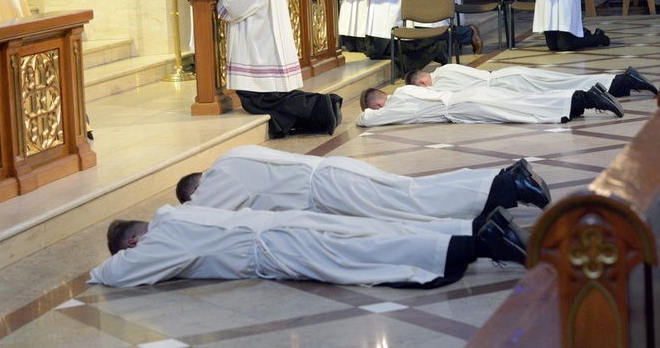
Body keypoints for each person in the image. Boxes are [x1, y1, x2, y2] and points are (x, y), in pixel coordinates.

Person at [89, 203, 528, 289]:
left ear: (132, 241)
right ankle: (473, 232)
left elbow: (113, 274)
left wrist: (97, 268)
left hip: (277, 247)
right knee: (373, 233)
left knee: (365, 257)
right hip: (283, 223)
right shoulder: (176, 214)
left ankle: (479, 244)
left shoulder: (158, 240)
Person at [173, 145, 550, 232]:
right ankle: (500, 184)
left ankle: (504, 185)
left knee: (409, 199)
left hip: (325, 188)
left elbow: (202, 217)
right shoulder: (234, 155)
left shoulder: (220, 175)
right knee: (411, 191)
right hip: (331, 174)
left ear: (196, 188)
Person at [217, 0, 342, 138]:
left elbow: (234, 7)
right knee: (263, 97)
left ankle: (322, 105)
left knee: (257, 97)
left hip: (255, 43)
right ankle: (310, 115)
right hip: (264, 38)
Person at [357, 82, 624, 127]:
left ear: (378, 104)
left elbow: (366, 119)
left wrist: (367, 111)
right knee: (521, 102)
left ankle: (585, 99)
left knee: (519, 110)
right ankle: (583, 98)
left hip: (461, 107)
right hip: (463, 96)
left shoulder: (392, 106)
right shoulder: (405, 90)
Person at [406, 65, 658, 97]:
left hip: (508, 84)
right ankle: (620, 80)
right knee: (564, 81)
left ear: (422, 84)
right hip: (507, 74)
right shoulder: (446, 68)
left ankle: (622, 80)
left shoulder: (440, 86)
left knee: (564, 86)